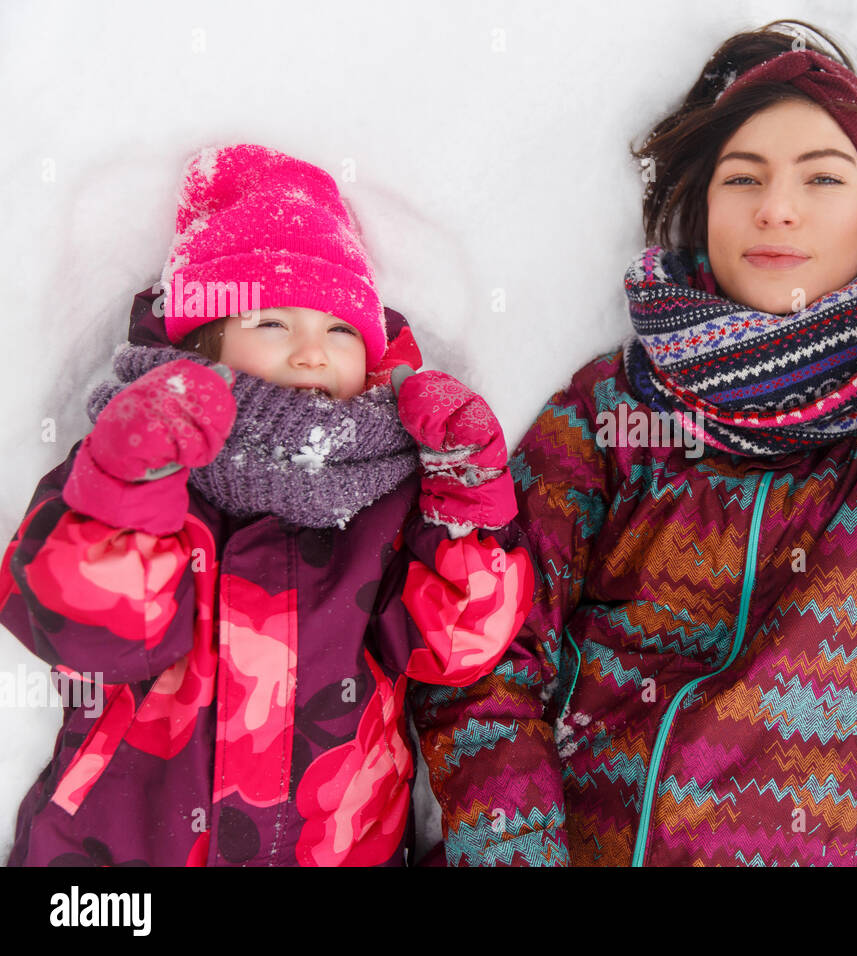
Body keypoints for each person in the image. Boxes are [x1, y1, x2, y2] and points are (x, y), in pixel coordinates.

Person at [411, 19, 857, 866]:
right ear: (702, 209)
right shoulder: (618, 411)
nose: (778, 205)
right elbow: (482, 648)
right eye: (744, 178)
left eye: (824, 178)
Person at [0, 143, 534, 866]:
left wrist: (468, 496)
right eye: (274, 323)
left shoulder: (386, 498)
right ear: (207, 339)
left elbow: (456, 648)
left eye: (341, 329)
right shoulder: (147, 472)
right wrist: (127, 484)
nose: (313, 352)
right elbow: (81, 627)